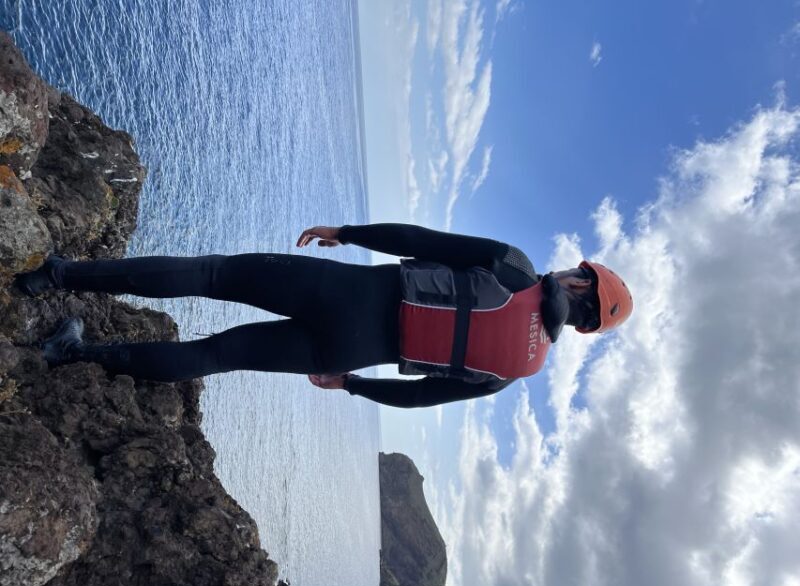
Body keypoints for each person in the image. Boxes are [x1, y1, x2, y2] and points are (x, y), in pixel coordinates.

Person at [14, 223, 632, 408]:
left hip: (341, 292)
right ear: (581, 326)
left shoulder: (514, 266)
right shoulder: (515, 371)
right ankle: (69, 354)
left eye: (581, 270)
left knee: (212, 274)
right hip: (341, 353)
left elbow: (420, 238)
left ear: (582, 279)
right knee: (214, 357)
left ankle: (57, 276)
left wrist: (349, 232)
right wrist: (351, 382)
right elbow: (418, 400)